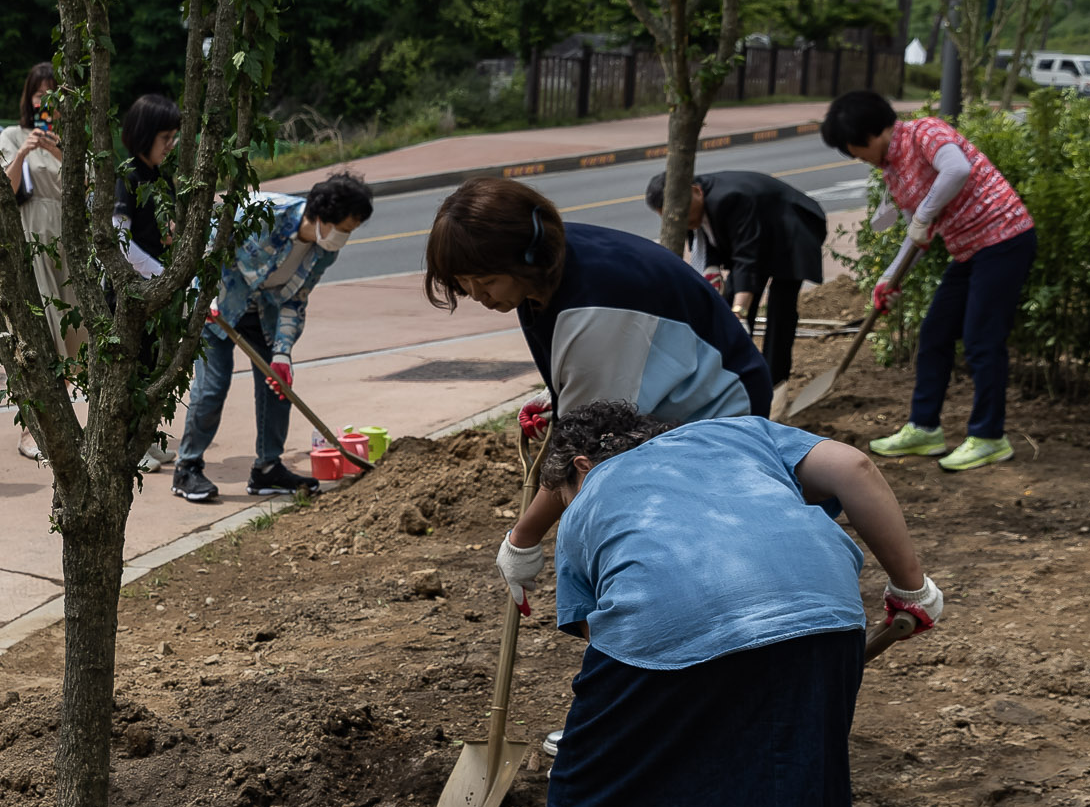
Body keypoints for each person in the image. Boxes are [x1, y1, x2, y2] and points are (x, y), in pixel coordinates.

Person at [505, 400, 944, 807]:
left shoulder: (593, 503)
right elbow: (855, 466)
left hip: (670, 630)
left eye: (562, 493)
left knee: (589, 788)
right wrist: (913, 585)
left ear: (584, 468)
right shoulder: (738, 434)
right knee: (807, 792)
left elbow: (618, 647)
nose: (566, 503)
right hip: (822, 618)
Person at [422, 176, 773, 610]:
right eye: (464, 282)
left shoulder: (597, 304)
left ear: (527, 256)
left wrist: (524, 538)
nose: (476, 295)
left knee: (667, 533)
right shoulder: (551, 265)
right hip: (671, 401)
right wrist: (563, 397)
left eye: (487, 280)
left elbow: (585, 452)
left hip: (719, 414)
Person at [820, 88, 1036, 474]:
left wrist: (925, 213)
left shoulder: (926, 133)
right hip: (968, 251)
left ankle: (989, 437)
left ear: (873, 133)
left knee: (982, 340)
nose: (856, 157)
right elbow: (917, 236)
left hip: (1004, 238)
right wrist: (889, 278)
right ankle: (925, 428)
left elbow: (957, 170)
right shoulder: (892, 170)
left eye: (854, 148)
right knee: (935, 333)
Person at [172, 172, 374, 504]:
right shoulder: (262, 212)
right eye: (345, 229)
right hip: (218, 306)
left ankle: (268, 468)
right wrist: (202, 288)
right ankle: (187, 467)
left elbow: (295, 299)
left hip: (263, 315)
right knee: (212, 386)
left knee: (279, 387)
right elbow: (209, 242)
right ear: (323, 217)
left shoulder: (324, 250)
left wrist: (282, 353)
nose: (344, 239)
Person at [644, 168, 828, 387]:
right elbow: (708, 243)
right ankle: (732, 375)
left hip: (792, 229)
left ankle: (773, 382)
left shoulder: (730, 198)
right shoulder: (689, 207)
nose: (681, 223)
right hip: (759, 236)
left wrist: (739, 312)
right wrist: (722, 292)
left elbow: (746, 259)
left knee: (780, 309)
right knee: (727, 307)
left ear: (695, 192)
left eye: (682, 216)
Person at [0, 64, 88, 462]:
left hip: (68, 241)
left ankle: (61, 424)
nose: (45, 101)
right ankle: (31, 429)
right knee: (42, 332)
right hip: (32, 236)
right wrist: (24, 152)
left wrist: (57, 150)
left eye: (52, 94)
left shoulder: (70, 141)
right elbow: (5, 189)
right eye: (39, 94)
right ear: (29, 98)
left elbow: (87, 189)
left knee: (75, 331)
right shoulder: (11, 135)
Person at [113, 92, 182, 472]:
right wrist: (160, 275)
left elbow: (163, 228)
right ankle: (129, 445)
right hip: (132, 293)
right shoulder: (127, 176)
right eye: (165, 139)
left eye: (174, 138)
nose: (170, 146)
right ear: (144, 135)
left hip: (157, 290)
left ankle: (149, 439)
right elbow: (121, 241)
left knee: (153, 365)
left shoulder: (161, 178)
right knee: (131, 369)